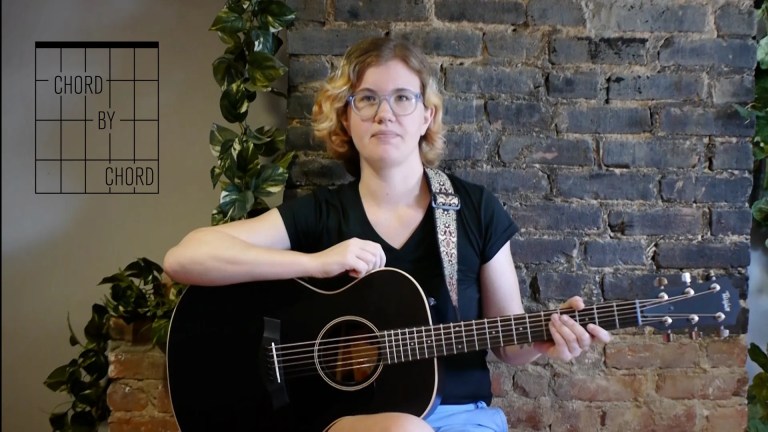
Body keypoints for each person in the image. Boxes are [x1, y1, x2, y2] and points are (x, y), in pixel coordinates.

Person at [163, 36, 612, 432]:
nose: (384, 114)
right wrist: (315, 263)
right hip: (339, 421)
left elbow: (508, 346)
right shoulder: (322, 214)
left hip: (459, 416)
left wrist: (545, 339)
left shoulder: (475, 211)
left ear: (426, 116)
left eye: (402, 98)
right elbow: (184, 259)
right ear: (346, 119)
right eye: (367, 100)